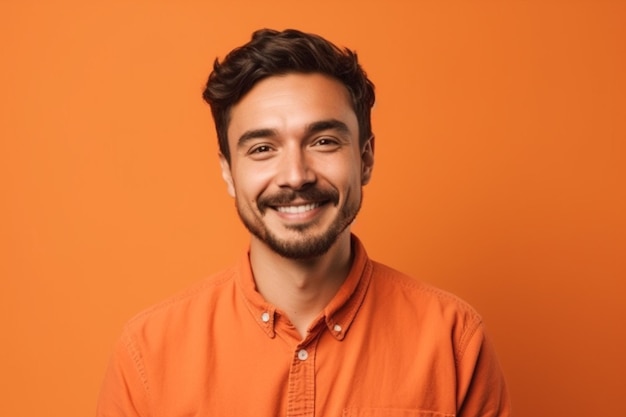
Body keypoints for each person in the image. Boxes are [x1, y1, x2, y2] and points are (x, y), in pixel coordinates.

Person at [97, 28, 511, 416]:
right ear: (228, 171)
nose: (296, 175)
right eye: (262, 148)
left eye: (323, 142)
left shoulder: (454, 342)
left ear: (365, 158)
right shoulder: (148, 355)